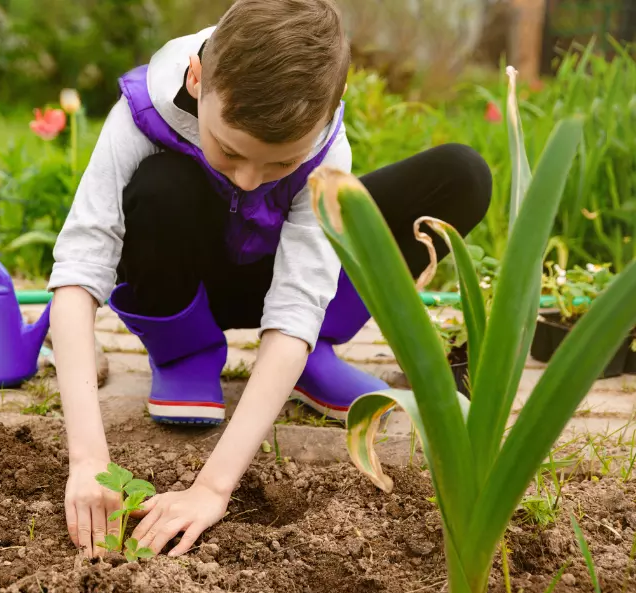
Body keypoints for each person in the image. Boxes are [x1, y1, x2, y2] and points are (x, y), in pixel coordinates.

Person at [47, 0, 492, 558]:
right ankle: (185, 355)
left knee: (460, 174)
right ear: (197, 76)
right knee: (160, 184)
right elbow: (78, 271)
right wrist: (88, 460)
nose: (253, 180)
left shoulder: (324, 142)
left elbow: (300, 296)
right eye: (230, 151)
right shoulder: (143, 112)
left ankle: (305, 361)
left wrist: (211, 488)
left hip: (274, 274)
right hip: (192, 276)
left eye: (279, 165)